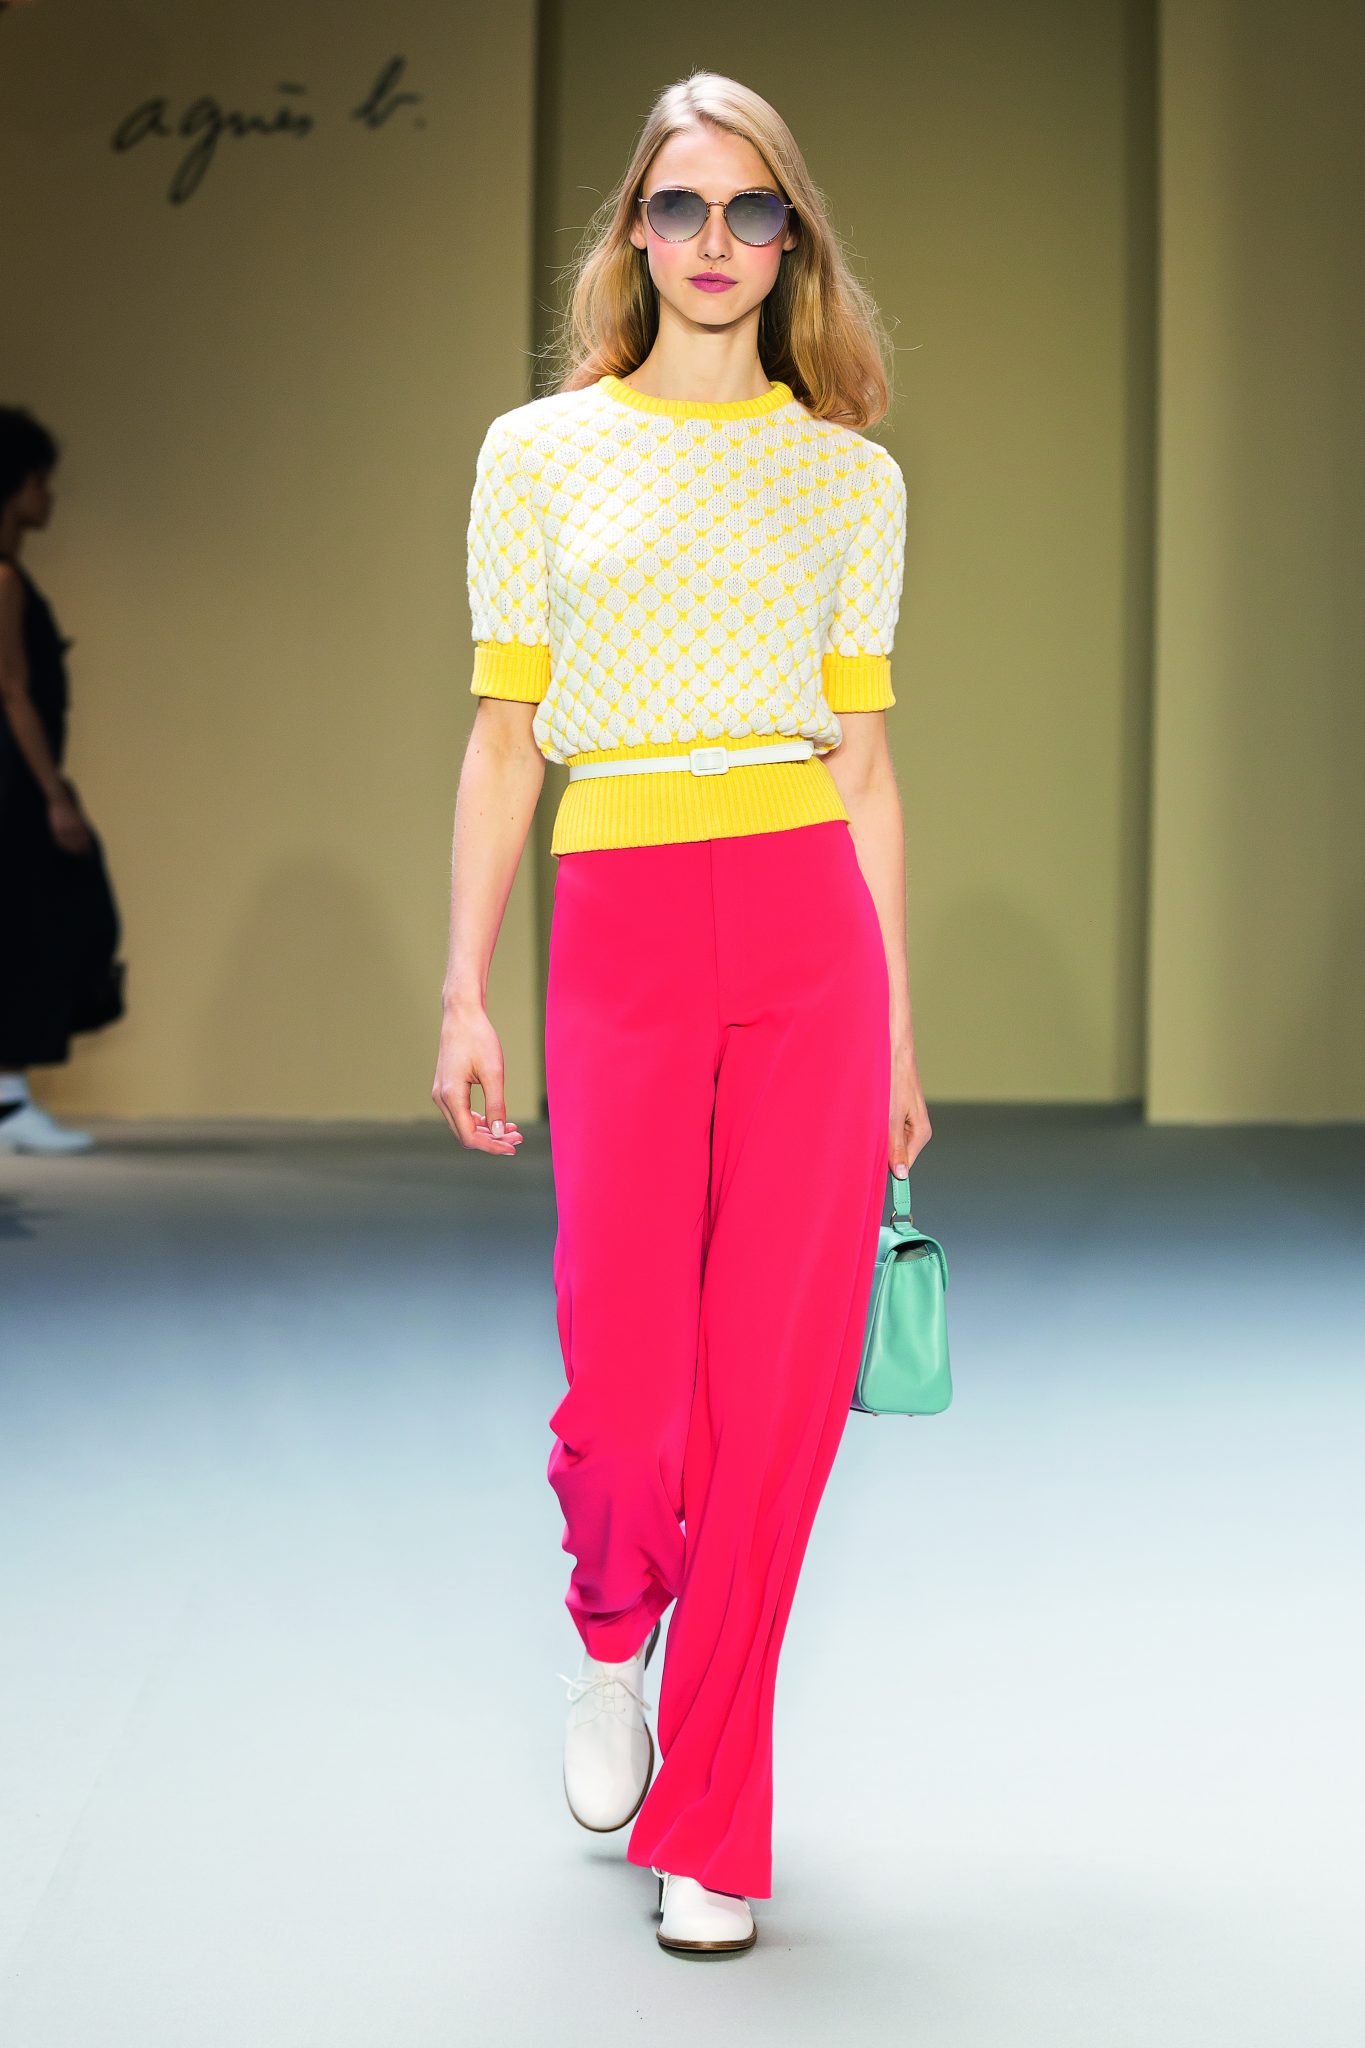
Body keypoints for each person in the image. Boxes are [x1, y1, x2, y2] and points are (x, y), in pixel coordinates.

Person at [432, 71, 931, 1958]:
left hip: (809, 937)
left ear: (791, 238)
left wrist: (898, 1033)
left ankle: (712, 1817)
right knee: (635, 1399)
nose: (712, 243)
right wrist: (464, 987)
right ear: (635, 232)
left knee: (777, 1407)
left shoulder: (851, 476)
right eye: (678, 207)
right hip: (624, 927)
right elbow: (505, 741)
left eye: (749, 210)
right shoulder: (537, 453)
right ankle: (609, 1632)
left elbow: (863, 768)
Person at [0, 406, 125, 1154]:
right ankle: (9, 1097)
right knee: (30, 926)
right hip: (15, 783)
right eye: (41, 481)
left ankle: (9, 1097)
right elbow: (13, 690)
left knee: (32, 922)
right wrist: (53, 795)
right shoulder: (4, 578)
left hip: (20, 779)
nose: (48, 497)